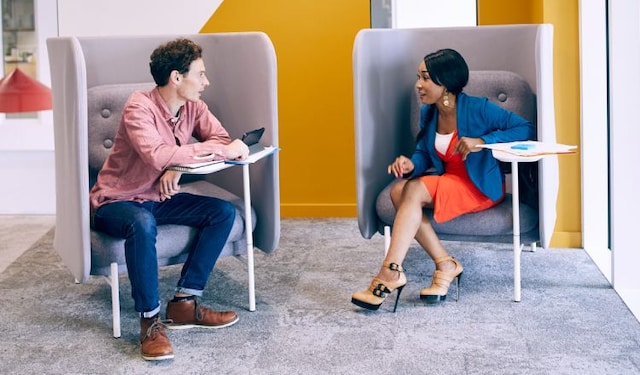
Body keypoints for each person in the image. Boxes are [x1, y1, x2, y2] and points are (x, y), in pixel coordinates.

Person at [90, 38, 250, 360]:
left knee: (222, 212)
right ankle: (149, 321)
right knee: (142, 222)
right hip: (117, 202)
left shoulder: (193, 106)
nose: (207, 83)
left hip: (156, 197)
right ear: (176, 78)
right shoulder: (139, 107)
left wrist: (176, 166)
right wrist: (174, 160)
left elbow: (218, 137)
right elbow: (157, 154)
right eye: (200, 75)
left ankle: (185, 304)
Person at [351, 48, 535, 311]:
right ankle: (445, 264)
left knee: (411, 190)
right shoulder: (429, 113)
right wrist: (411, 163)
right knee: (398, 191)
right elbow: (425, 153)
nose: (418, 85)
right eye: (418, 77)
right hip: (449, 180)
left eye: (425, 78)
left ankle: (389, 273)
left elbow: (525, 128)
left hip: (478, 187)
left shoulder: (478, 108)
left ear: (445, 83)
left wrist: (483, 141)